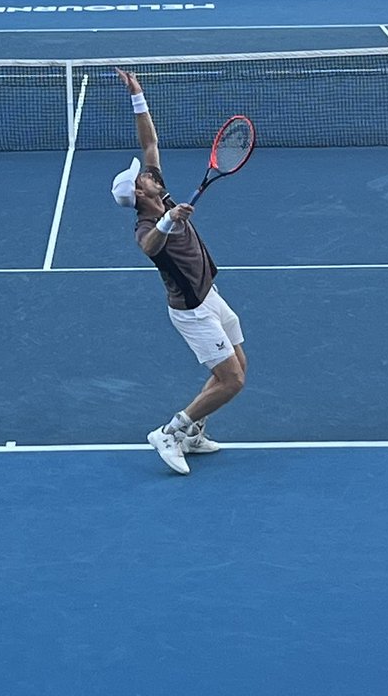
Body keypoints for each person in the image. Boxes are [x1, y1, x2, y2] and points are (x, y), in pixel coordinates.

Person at [112, 68, 247, 477]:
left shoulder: (160, 188)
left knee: (239, 365)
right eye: (142, 177)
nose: (149, 173)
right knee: (232, 381)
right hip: (191, 310)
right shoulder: (145, 226)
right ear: (139, 193)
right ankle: (171, 432)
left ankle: (193, 432)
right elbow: (150, 247)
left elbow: (149, 140)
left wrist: (138, 96)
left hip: (211, 295)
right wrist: (169, 220)